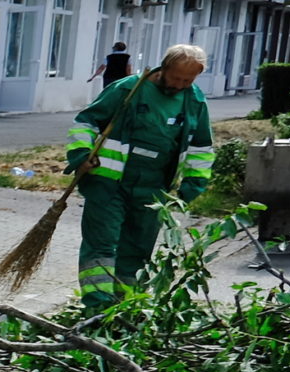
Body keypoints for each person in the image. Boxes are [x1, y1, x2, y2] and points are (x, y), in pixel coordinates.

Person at [63, 41, 214, 310]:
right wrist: (81, 154)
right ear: (164, 68)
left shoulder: (195, 102)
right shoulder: (128, 89)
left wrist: (194, 183)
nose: (180, 85)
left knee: (136, 251)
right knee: (102, 245)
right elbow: (85, 122)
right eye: (176, 77)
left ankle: (122, 307)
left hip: (153, 190)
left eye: (187, 80)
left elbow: (201, 149)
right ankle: (97, 307)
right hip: (108, 183)